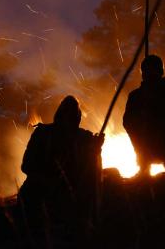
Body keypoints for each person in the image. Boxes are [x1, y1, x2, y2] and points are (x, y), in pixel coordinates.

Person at [18, 95, 103, 236]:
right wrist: (46, 180)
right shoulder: (42, 134)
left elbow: (90, 172)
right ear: (61, 116)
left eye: (75, 116)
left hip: (69, 198)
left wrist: (96, 149)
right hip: (39, 196)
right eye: (69, 116)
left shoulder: (84, 138)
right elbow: (26, 166)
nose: (71, 121)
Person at [123, 55, 165, 175]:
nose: (150, 73)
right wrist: (139, 143)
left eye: (153, 69)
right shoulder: (136, 96)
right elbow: (128, 122)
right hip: (144, 149)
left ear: (161, 71)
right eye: (147, 70)